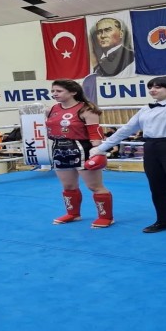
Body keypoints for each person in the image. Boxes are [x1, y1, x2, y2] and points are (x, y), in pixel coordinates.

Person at [90, 71, 166, 239]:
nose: (152, 90)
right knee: (157, 188)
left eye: (158, 87)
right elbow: (126, 130)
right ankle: (164, 220)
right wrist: (102, 148)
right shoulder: (145, 109)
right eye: (150, 87)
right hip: (151, 148)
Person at [47, 79, 114, 228]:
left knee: (94, 186)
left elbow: (95, 134)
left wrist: (99, 153)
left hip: (82, 149)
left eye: (59, 91)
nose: (54, 94)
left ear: (73, 92)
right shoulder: (52, 109)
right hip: (59, 149)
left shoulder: (86, 109)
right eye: (53, 91)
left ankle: (106, 217)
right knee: (68, 186)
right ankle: (73, 214)